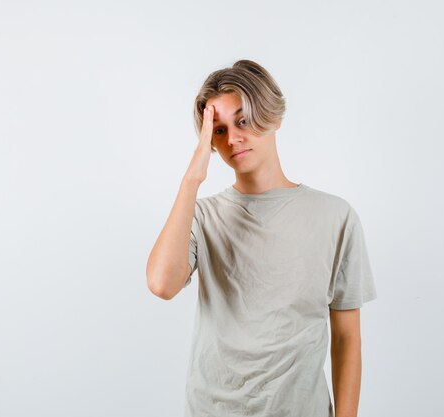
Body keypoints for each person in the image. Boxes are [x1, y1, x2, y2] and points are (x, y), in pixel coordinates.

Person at [146, 59, 378, 417]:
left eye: (242, 120)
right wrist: (192, 178)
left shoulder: (335, 217)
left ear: (274, 116)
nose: (233, 139)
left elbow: (347, 338)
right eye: (218, 131)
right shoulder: (203, 216)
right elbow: (162, 284)